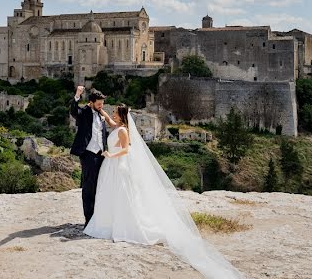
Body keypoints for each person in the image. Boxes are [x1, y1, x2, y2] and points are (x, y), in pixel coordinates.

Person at [83, 101, 243, 279]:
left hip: (118, 164)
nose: (112, 115)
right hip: (112, 166)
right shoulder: (118, 126)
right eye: (112, 113)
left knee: (123, 194)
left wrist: (111, 154)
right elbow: (111, 124)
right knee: (111, 195)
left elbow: (126, 149)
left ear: (121, 116)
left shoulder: (122, 131)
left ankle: (123, 224)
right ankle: (110, 221)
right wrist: (100, 110)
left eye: (115, 113)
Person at [69, 85, 109, 225]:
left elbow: (103, 134)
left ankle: (98, 217)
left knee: (100, 185)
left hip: (101, 155)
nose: (101, 106)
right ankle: (89, 220)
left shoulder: (100, 115)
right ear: (91, 102)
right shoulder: (84, 112)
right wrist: (77, 95)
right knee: (89, 186)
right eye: (98, 104)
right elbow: (74, 111)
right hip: (88, 154)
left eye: (102, 104)